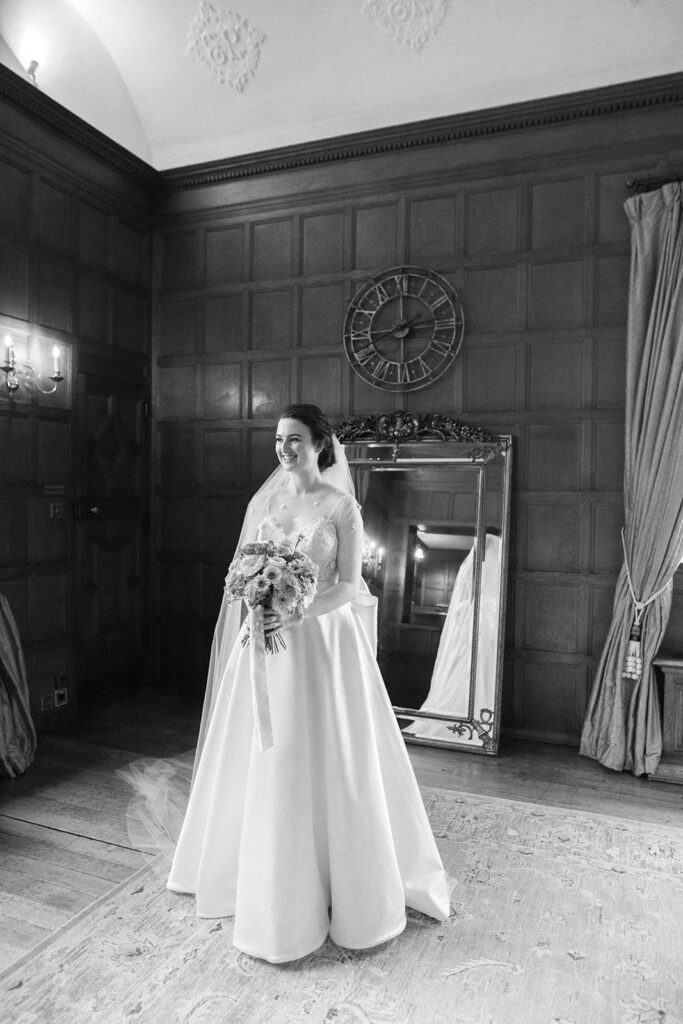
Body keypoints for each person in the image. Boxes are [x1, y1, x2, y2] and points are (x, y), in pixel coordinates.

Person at [164, 404, 452, 963]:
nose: (284, 449)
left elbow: (349, 586)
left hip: (322, 645)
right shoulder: (267, 504)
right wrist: (256, 598)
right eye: (279, 439)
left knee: (323, 752)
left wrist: (298, 610)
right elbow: (239, 574)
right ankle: (252, 874)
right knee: (263, 751)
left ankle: (339, 882)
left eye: (295, 439)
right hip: (264, 644)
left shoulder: (342, 507)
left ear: (321, 445)